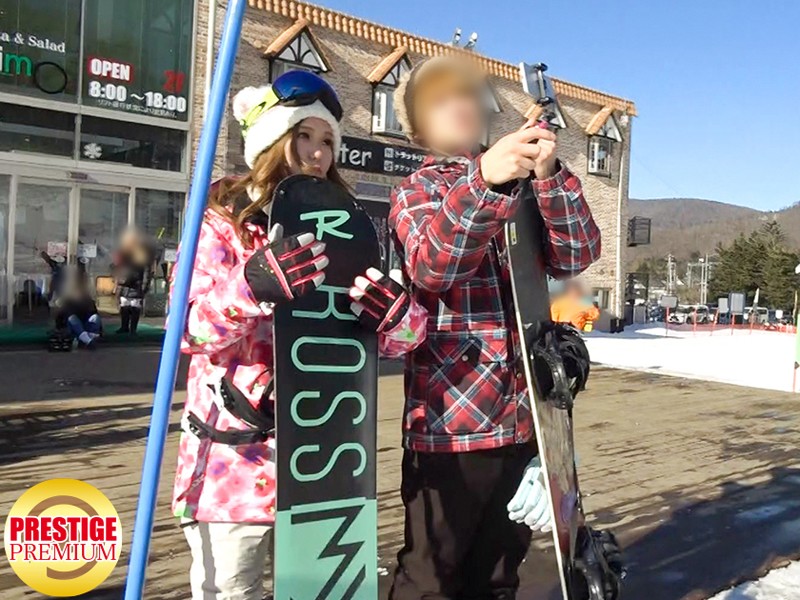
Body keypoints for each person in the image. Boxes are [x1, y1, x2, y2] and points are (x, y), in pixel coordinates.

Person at [172, 71, 427, 600]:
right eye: (303, 136)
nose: (317, 153)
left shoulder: (346, 226)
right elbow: (186, 329)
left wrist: (395, 315)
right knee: (231, 592)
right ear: (271, 140)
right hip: (235, 464)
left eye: (328, 141)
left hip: (324, 461)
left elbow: (397, 341)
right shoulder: (221, 219)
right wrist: (251, 285)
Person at [386, 56, 602, 599]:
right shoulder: (415, 189)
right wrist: (484, 180)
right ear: (416, 125)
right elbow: (434, 265)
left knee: (500, 578)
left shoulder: (523, 187)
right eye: (439, 100)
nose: (460, 104)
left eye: (467, 94)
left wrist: (548, 174)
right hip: (450, 428)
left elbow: (577, 255)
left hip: (526, 421)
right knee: (429, 581)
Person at [111, 228, 155, 334]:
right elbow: (116, 268)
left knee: (135, 306)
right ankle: (124, 327)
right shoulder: (123, 253)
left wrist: (144, 286)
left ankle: (133, 329)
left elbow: (146, 272)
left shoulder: (141, 254)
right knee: (124, 306)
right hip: (124, 284)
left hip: (136, 285)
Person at [54, 264, 102, 349]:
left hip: (86, 326)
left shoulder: (88, 301)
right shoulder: (68, 300)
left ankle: (87, 338)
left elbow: (94, 314)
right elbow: (62, 315)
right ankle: (87, 340)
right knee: (72, 319)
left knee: (95, 318)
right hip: (73, 326)